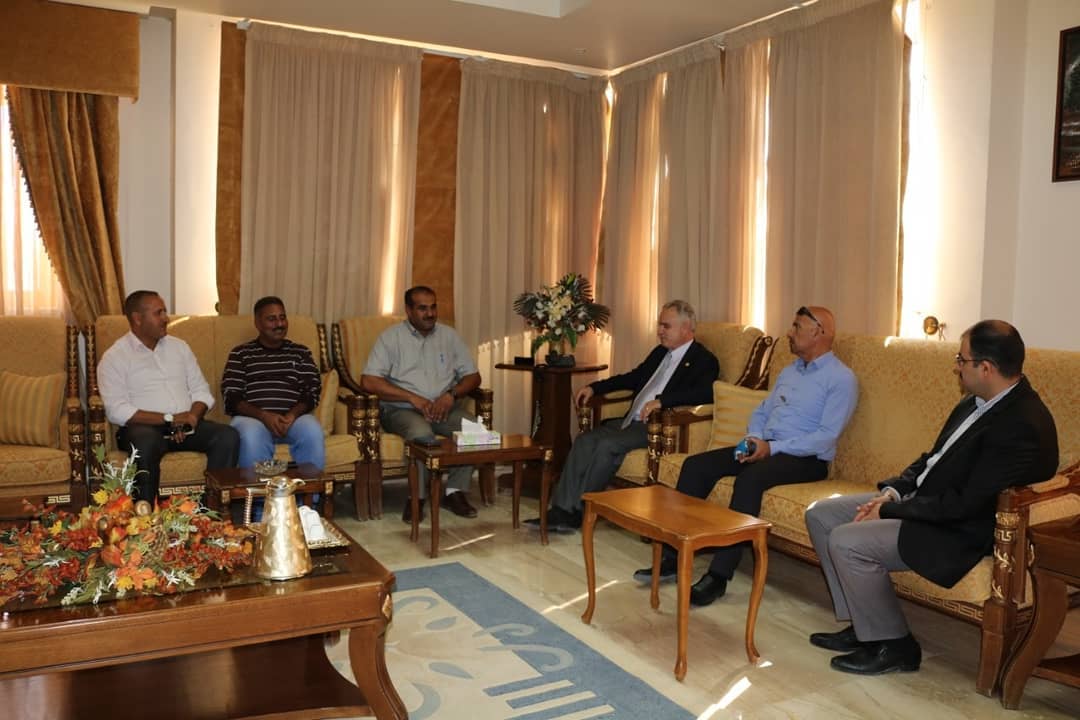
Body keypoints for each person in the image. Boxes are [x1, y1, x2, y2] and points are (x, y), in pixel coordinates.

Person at [805, 320, 1058, 676]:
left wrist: (891, 510)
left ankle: (895, 646)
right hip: (926, 505)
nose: (956, 367)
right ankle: (865, 626)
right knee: (821, 515)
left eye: (961, 360)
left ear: (986, 368)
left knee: (847, 541)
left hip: (957, 530)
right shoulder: (975, 403)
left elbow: (966, 505)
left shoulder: (1020, 424)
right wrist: (892, 492)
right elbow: (932, 460)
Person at [639, 305, 858, 607]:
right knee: (696, 466)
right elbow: (761, 411)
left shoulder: (841, 378)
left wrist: (772, 448)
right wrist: (754, 438)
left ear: (818, 332)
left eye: (796, 327)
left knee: (750, 480)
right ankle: (673, 556)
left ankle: (718, 577)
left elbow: (826, 437)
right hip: (763, 446)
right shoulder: (790, 371)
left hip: (805, 459)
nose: (789, 332)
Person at [525, 300, 719, 532]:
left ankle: (580, 511)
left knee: (607, 445)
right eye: (660, 325)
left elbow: (707, 393)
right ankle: (560, 510)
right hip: (630, 420)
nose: (660, 331)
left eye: (666, 326)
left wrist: (663, 401)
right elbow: (633, 378)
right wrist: (595, 387)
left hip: (657, 427)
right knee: (585, 440)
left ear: (686, 328)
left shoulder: (704, 360)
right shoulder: (660, 353)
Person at [98, 290, 240, 502]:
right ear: (137, 319)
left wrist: (192, 417)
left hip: (186, 423)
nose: (166, 318)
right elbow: (117, 410)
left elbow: (201, 391)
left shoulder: (179, 347)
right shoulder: (114, 357)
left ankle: (211, 510)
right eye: (159, 313)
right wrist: (169, 419)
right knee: (145, 443)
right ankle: (145, 514)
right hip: (144, 429)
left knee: (227, 436)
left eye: (164, 312)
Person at [361, 285, 482, 522]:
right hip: (402, 410)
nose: (430, 314)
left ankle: (454, 492)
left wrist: (451, 395)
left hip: (444, 409)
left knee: (476, 432)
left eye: (433, 307)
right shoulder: (391, 338)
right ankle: (416, 498)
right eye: (423, 308)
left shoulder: (449, 336)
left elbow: (473, 377)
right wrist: (411, 397)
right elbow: (368, 381)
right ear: (408, 310)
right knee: (421, 435)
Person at [221, 296, 325, 471]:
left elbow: (312, 392)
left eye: (282, 317)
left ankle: (310, 488)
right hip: (253, 420)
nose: (279, 324)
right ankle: (258, 489)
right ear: (257, 323)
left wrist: (292, 415)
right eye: (272, 319)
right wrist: (264, 416)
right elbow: (231, 398)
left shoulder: (301, 353)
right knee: (251, 435)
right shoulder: (240, 354)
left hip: (293, 420)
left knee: (312, 430)